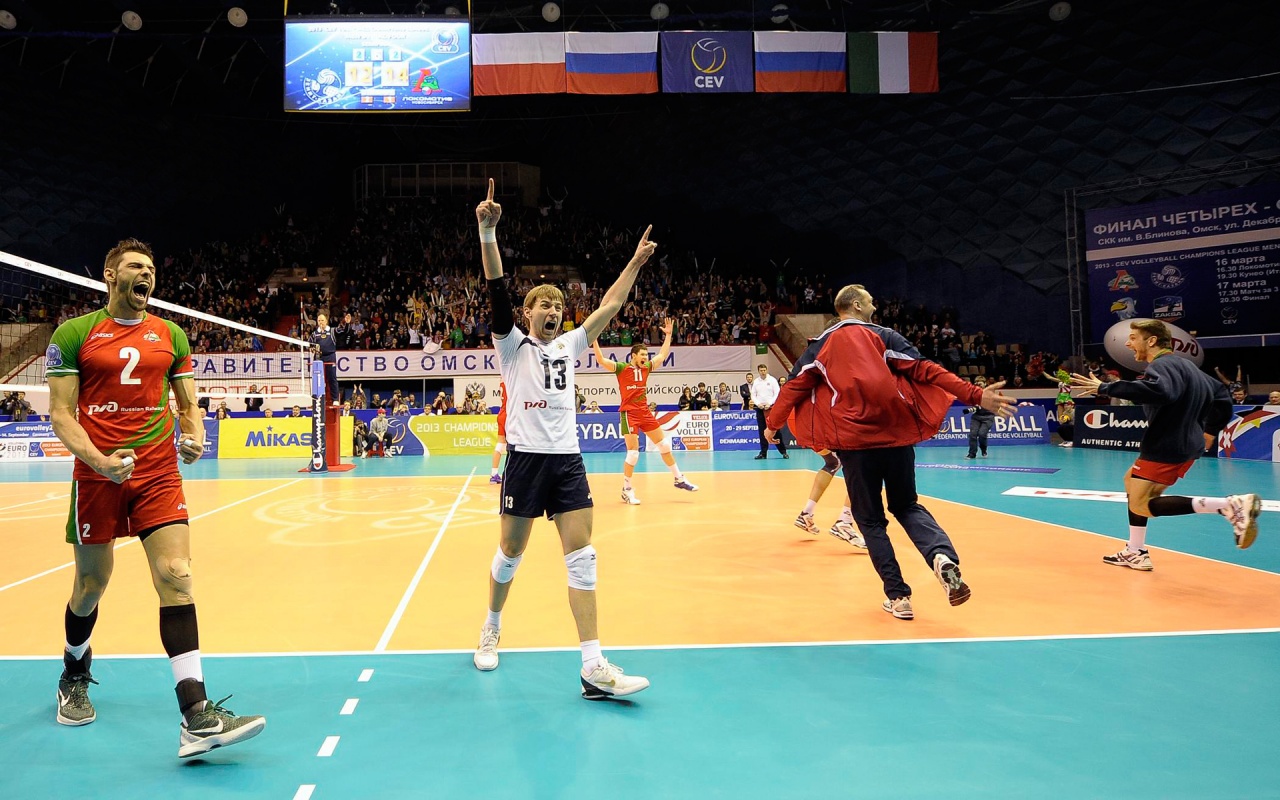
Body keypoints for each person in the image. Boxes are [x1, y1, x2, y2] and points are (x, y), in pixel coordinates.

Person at [44, 238, 264, 757]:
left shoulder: (172, 336)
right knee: (91, 584)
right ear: (110, 275)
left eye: (151, 269)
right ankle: (74, 670)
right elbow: (60, 415)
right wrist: (99, 461)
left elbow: (189, 407)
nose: (147, 276)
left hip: (158, 471)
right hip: (98, 473)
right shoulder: (73, 334)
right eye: (136, 268)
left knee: (175, 575)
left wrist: (194, 436)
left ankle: (196, 715)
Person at [472, 179, 651, 699]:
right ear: (528, 316)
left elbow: (611, 306)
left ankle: (593, 667)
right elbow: (496, 290)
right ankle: (491, 624)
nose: (551, 311)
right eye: (542, 306)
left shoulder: (571, 344)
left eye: (557, 305)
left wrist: (636, 262)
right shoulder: (511, 346)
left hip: (567, 461)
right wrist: (488, 233)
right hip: (526, 463)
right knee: (510, 553)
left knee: (583, 557)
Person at [765, 284, 1015, 620]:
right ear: (855, 304)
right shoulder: (885, 336)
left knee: (870, 521)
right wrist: (974, 394)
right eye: (869, 299)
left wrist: (772, 425)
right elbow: (928, 370)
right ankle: (941, 557)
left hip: (854, 446)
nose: (874, 303)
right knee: (907, 505)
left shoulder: (820, 346)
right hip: (896, 439)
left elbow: (793, 389)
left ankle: (898, 598)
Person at [1071, 320, 1259, 570]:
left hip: (1166, 445)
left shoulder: (1161, 365)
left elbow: (1162, 391)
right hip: (1184, 443)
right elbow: (1222, 396)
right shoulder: (1188, 367)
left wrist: (1108, 387)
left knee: (1141, 504)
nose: (1128, 343)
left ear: (1151, 341)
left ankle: (1229, 506)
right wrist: (1210, 430)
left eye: (1133, 338)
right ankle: (1135, 551)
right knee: (1131, 481)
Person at [591, 319, 698, 505]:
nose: (646, 357)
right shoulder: (622, 369)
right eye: (642, 355)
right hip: (628, 414)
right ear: (633, 356)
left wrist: (669, 335)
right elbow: (600, 360)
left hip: (645, 413)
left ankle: (679, 479)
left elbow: (663, 354)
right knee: (633, 453)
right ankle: (627, 490)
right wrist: (594, 340)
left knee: (664, 445)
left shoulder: (647, 368)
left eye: (647, 355)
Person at [793, 448, 866, 550]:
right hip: (825, 434)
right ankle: (844, 521)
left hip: (809, 435)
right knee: (864, 470)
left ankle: (806, 513)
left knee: (833, 462)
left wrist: (772, 430)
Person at [751, 364, 787, 459]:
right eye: (761, 370)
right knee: (762, 431)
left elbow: (777, 393)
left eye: (764, 370)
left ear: (766, 370)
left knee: (775, 429)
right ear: (758, 371)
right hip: (760, 408)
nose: (763, 372)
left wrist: (770, 403)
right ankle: (763, 453)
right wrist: (758, 403)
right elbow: (753, 395)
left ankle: (783, 451)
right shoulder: (756, 382)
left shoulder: (772, 380)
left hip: (771, 408)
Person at [310, 312, 340, 406]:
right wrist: (311, 348)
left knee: (332, 378)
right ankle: (317, 399)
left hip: (330, 356)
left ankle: (335, 399)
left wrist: (346, 323)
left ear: (326, 321)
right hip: (319, 357)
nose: (320, 322)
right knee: (317, 378)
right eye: (319, 320)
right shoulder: (315, 333)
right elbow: (310, 344)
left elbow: (343, 330)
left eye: (322, 320)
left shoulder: (332, 331)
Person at [964, 377, 995, 459]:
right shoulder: (973, 393)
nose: (978, 384)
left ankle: (983, 449)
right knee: (972, 435)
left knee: (982, 434)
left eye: (980, 383)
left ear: (985, 383)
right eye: (977, 382)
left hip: (988, 417)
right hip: (976, 417)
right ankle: (972, 454)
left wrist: (973, 409)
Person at [490, 381, 507, 485]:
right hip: (509, 414)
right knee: (516, 444)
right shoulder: (511, 380)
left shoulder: (502, 383)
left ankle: (494, 474)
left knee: (500, 444)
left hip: (502, 413)